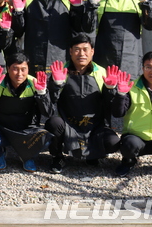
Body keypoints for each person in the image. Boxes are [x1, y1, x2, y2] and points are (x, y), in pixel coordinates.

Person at [45, 33, 120, 174]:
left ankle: (93, 154)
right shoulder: (61, 72)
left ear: (92, 51)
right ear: (71, 52)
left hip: (94, 125)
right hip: (68, 125)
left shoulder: (102, 73)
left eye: (86, 49)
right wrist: (56, 84)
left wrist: (110, 89)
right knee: (53, 124)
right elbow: (51, 102)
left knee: (113, 142)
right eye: (77, 49)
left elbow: (110, 105)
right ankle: (57, 157)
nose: (82, 54)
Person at [11, 0, 89, 73]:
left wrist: (77, 7)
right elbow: (18, 32)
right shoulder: (26, 1)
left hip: (61, 55)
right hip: (35, 56)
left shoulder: (67, 0)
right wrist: (18, 12)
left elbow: (77, 28)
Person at [0, 53, 52, 172]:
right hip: (0, 129)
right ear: (8, 69)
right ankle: (0, 154)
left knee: (46, 141)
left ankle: (26, 156)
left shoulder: (34, 83)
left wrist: (42, 93)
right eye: (15, 69)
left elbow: (48, 112)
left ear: (28, 69)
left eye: (23, 69)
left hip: (25, 131)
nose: (19, 74)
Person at [91, 0, 152, 77]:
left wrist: (144, 3)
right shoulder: (99, 1)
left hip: (131, 58)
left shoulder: (136, 1)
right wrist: (92, 4)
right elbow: (88, 27)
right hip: (104, 58)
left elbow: (151, 25)